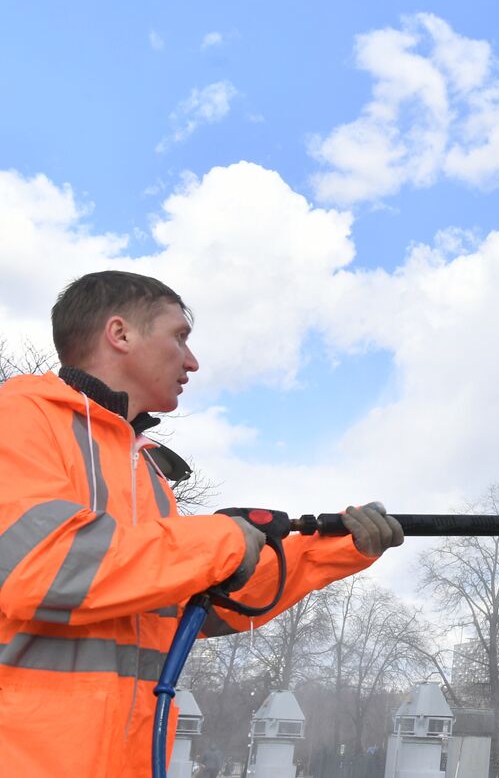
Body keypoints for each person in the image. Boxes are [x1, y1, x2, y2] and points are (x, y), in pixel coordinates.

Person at [0, 270, 404, 776]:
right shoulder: (18, 417)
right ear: (120, 334)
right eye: (179, 337)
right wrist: (222, 538)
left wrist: (330, 550)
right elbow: (42, 568)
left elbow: (195, 607)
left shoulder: (143, 470)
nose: (192, 361)